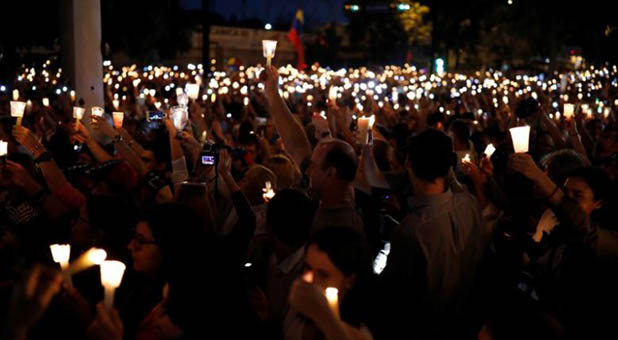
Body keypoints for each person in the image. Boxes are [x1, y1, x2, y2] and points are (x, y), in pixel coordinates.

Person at [378, 129, 485, 340]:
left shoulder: (410, 231)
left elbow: (391, 296)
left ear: (408, 163)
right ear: (449, 166)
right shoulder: (470, 204)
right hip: (467, 325)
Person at [285, 227, 375, 340]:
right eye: (308, 268)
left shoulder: (360, 333)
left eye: (323, 275)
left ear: (350, 281)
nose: (309, 280)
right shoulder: (299, 311)